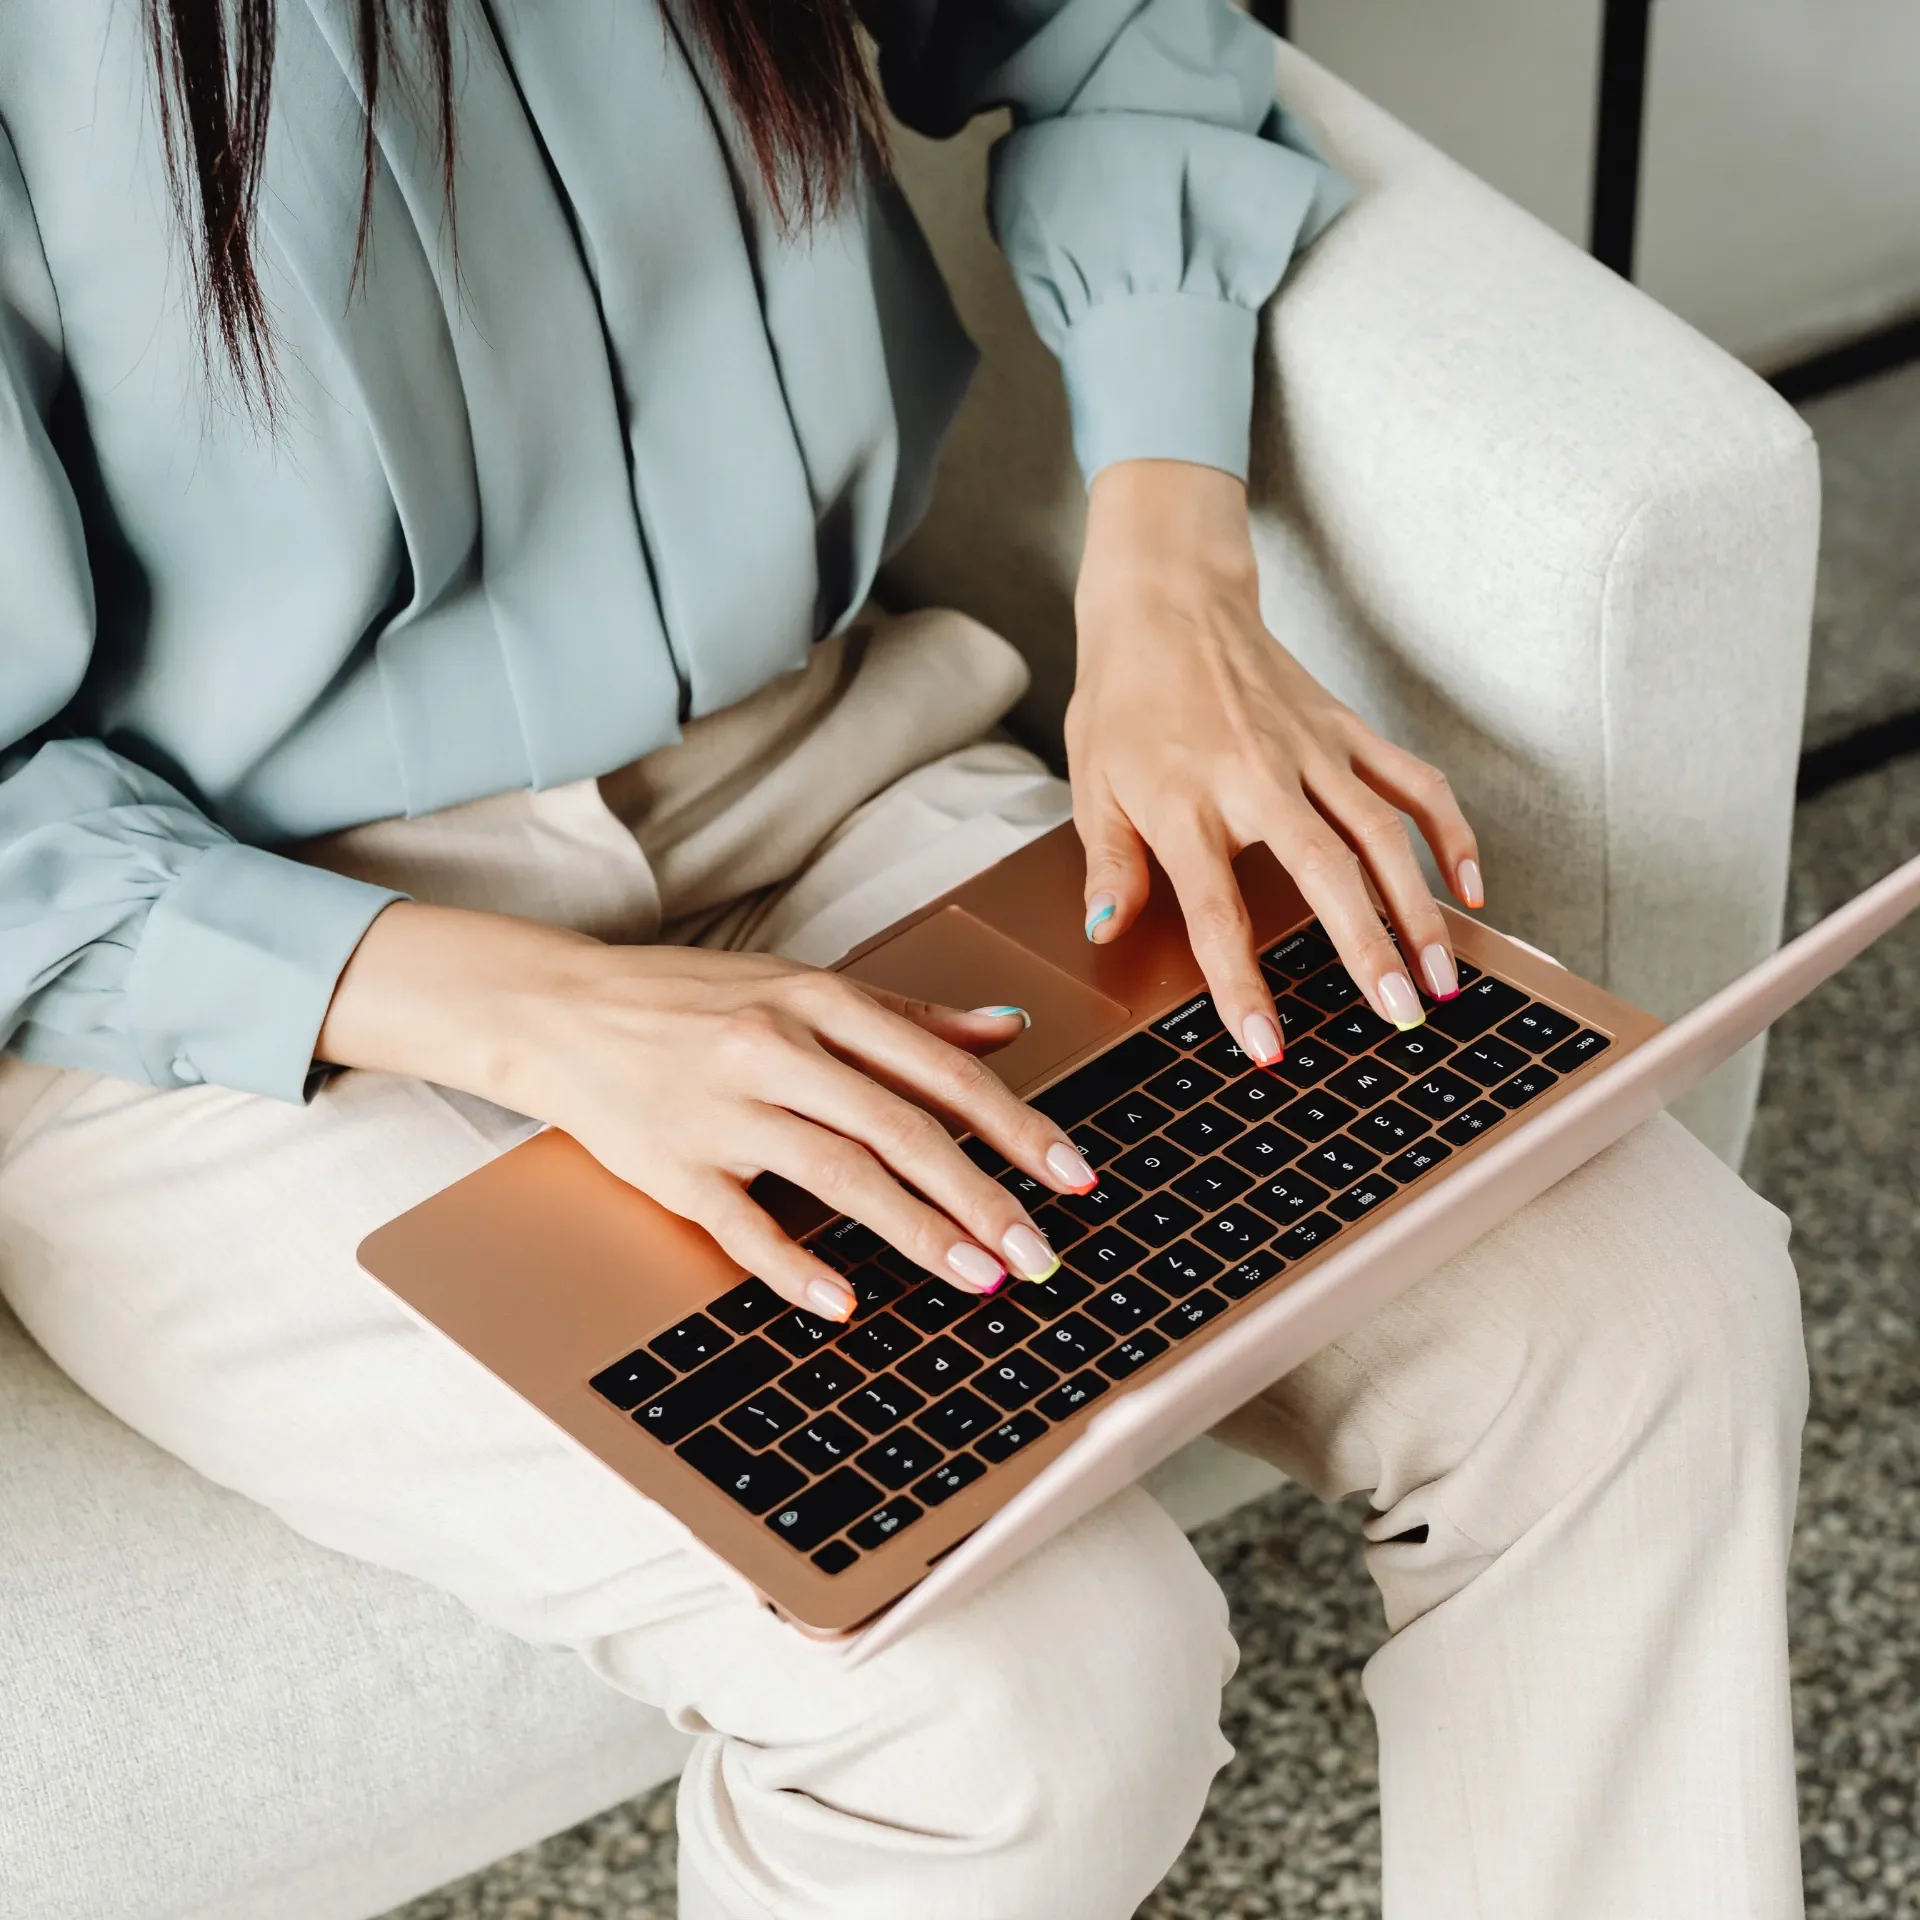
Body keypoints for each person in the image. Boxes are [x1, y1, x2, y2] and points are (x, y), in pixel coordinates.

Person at [0, 3, 1807, 1915]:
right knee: (1014, 1700)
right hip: (230, 985)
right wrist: (544, 1013)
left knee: (1645, 1323)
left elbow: (1125, 31)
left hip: (827, 765)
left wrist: (1168, 579)